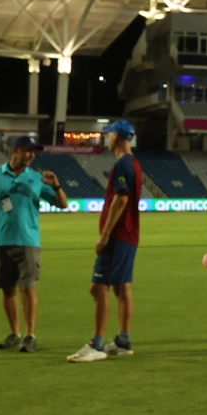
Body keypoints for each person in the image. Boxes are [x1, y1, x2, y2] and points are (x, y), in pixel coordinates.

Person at [0, 135, 68, 353]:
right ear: (16, 150)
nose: (31, 155)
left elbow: (63, 204)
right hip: (0, 241)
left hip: (27, 240)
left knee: (27, 288)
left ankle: (30, 335)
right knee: (7, 289)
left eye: (34, 152)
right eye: (27, 150)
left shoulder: (38, 178)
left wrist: (56, 186)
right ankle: (15, 333)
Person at [67, 120, 142, 363]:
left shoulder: (122, 164)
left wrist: (105, 235)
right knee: (122, 287)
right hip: (130, 234)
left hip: (118, 236)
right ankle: (123, 340)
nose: (107, 138)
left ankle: (96, 344)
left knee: (98, 288)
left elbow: (121, 199)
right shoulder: (134, 163)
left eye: (109, 134)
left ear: (117, 136)